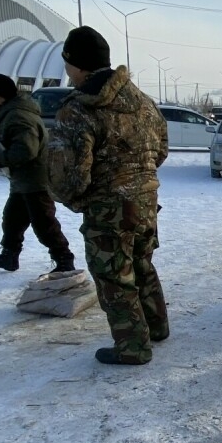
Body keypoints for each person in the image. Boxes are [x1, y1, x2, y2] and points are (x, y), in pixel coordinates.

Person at [47, 26, 169, 365]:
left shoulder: (80, 108)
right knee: (142, 263)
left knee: (114, 275)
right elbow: (160, 149)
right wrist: (138, 176)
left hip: (108, 206)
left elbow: (69, 173)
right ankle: (156, 327)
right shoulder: (142, 100)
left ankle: (133, 346)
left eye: (67, 63)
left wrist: (77, 197)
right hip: (145, 201)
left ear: (76, 64)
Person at [0, 73, 76, 274]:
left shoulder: (18, 115)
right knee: (12, 219)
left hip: (35, 179)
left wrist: (0, 158)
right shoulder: (10, 111)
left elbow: (26, 149)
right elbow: (16, 140)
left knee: (44, 223)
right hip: (23, 179)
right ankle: (9, 256)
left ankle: (64, 259)